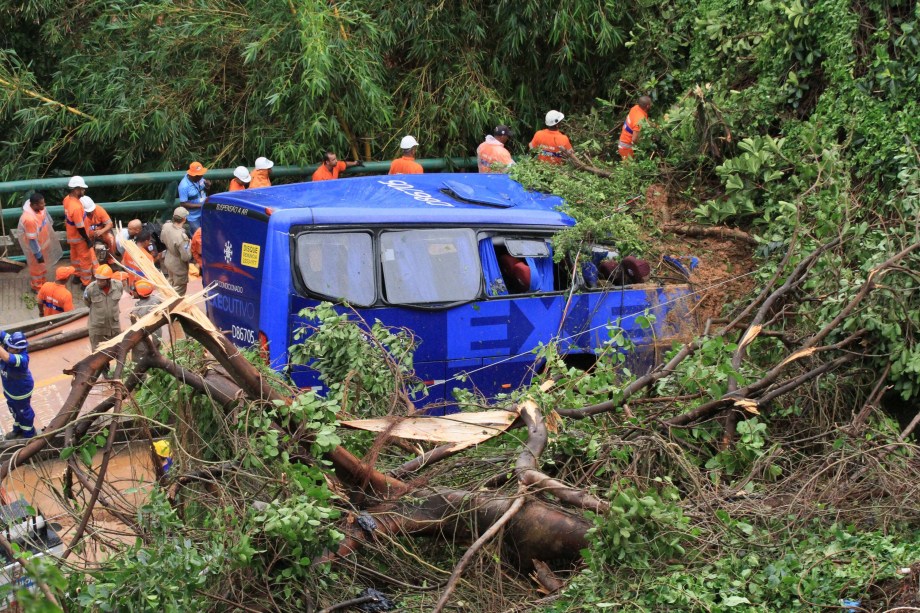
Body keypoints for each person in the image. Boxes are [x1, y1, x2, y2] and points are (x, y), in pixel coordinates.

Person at [17, 192, 61, 292]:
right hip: (35, 249)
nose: (44, 205)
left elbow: (48, 222)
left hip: (42, 244)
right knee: (36, 268)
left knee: (42, 266)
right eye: (42, 203)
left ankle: (42, 282)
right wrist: (38, 254)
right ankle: (37, 287)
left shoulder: (40, 210)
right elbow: (32, 240)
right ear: (34, 205)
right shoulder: (29, 219)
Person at [0, 331, 37, 440]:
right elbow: (2, 335)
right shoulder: (11, 343)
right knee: (14, 410)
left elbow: (7, 357)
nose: (8, 348)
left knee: (24, 412)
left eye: (11, 348)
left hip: (21, 392)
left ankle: (29, 434)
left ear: (18, 349)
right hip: (10, 390)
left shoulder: (22, 359)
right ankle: (18, 428)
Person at [83, 264, 124, 353]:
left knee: (117, 351)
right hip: (97, 328)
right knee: (98, 354)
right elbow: (87, 302)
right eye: (97, 279)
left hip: (114, 326)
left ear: (108, 280)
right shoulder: (90, 289)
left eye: (102, 281)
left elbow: (119, 297)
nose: (99, 282)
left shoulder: (118, 286)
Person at [63, 176, 94, 287]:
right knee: (85, 260)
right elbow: (80, 227)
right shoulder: (76, 207)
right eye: (82, 189)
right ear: (76, 189)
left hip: (72, 236)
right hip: (80, 238)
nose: (83, 191)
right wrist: (87, 240)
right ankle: (86, 283)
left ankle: (76, 275)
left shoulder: (67, 199)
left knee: (75, 258)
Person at [161, 207, 192, 296]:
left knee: (170, 283)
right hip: (178, 266)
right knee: (179, 291)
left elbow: (162, 240)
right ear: (184, 219)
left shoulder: (166, 226)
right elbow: (186, 257)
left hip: (169, 259)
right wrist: (189, 245)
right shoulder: (182, 237)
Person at [130, 280, 163, 363]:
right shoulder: (156, 299)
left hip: (144, 342)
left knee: (140, 362)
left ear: (140, 293)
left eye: (134, 291)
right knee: (156, 358)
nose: (132, 292)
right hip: (157, 336)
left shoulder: (139, 311)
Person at [81, 195, 116, 263]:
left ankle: (111, 257)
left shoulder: (99, 209)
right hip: (87, 235)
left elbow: (110, 224)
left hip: (102, 232)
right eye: (88, 212)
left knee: (111, 239)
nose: (91, 213)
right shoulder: (79, 214)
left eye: (92, 210)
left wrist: (102, 231)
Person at [178, 161, 210, 233]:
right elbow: (183, 204)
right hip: (193, 217)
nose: (201, 176)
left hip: (204, 212)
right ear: (193, 175)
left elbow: (203, 191)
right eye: (199, 175)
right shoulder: (184, 186)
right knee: (197, 236)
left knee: (207, 233)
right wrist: (200, 205)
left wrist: (207, 186)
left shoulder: (199, 178)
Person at [618, 96, 652, 160]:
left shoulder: (636, 108)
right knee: (629, 168)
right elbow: (634, 139)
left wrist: (655, 126)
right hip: (626, 147)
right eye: (651, 103)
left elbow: (645, 120)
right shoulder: (639, 122)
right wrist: (644, 143)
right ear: (647, 106)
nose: (652, 104)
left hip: (624, 141)